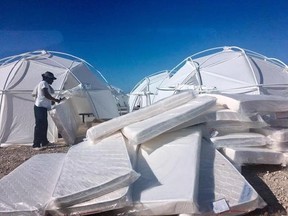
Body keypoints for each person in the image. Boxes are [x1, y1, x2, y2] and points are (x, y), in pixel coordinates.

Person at [32, 71, 62, 150]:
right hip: (39, 107)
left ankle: (44, 142)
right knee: (39, 125)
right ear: (47, 78)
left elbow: (46, 97)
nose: (52, 81)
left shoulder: (46, 84)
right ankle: (36, 144)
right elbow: (46, 94)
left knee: (44, 125)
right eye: (51, 79)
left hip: (43, 108)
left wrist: (53, 101)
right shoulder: (43, 83)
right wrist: (56, 100)